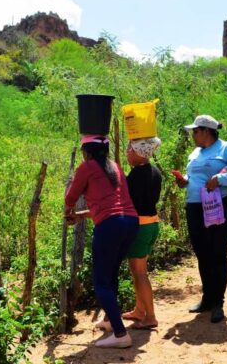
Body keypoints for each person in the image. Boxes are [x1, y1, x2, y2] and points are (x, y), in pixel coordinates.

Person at [173, 114, 227, 323]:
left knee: (217, 253)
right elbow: (195, 178)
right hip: (195, 208)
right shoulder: (195, 153)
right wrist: (185, 181)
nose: (192, 135)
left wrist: (220, 179)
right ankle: (207, 299)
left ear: (206, 131)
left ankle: (218, 303)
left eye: (195, 131)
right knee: (202, 253)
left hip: (220, 206)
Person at [64, 134, 139, 349]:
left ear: (86, 152)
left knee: (100, 282)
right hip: (130, 223)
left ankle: (120, 333)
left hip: (110, 227)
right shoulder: (114, 166)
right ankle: (108, 320)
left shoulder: (87, 167)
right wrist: (80, 215)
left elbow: (71, 197)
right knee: (111, 273)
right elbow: (111, 206)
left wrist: (69, 211)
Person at [121, 137, 163, 329]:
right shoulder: (155, 171)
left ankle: (151, 316)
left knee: (140, 273)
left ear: (139, 153)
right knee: (137, 270)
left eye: (130, 149)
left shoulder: (136, 175)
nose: (127, 152)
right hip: (151, 223)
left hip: (140, 226)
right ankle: (139, 310)